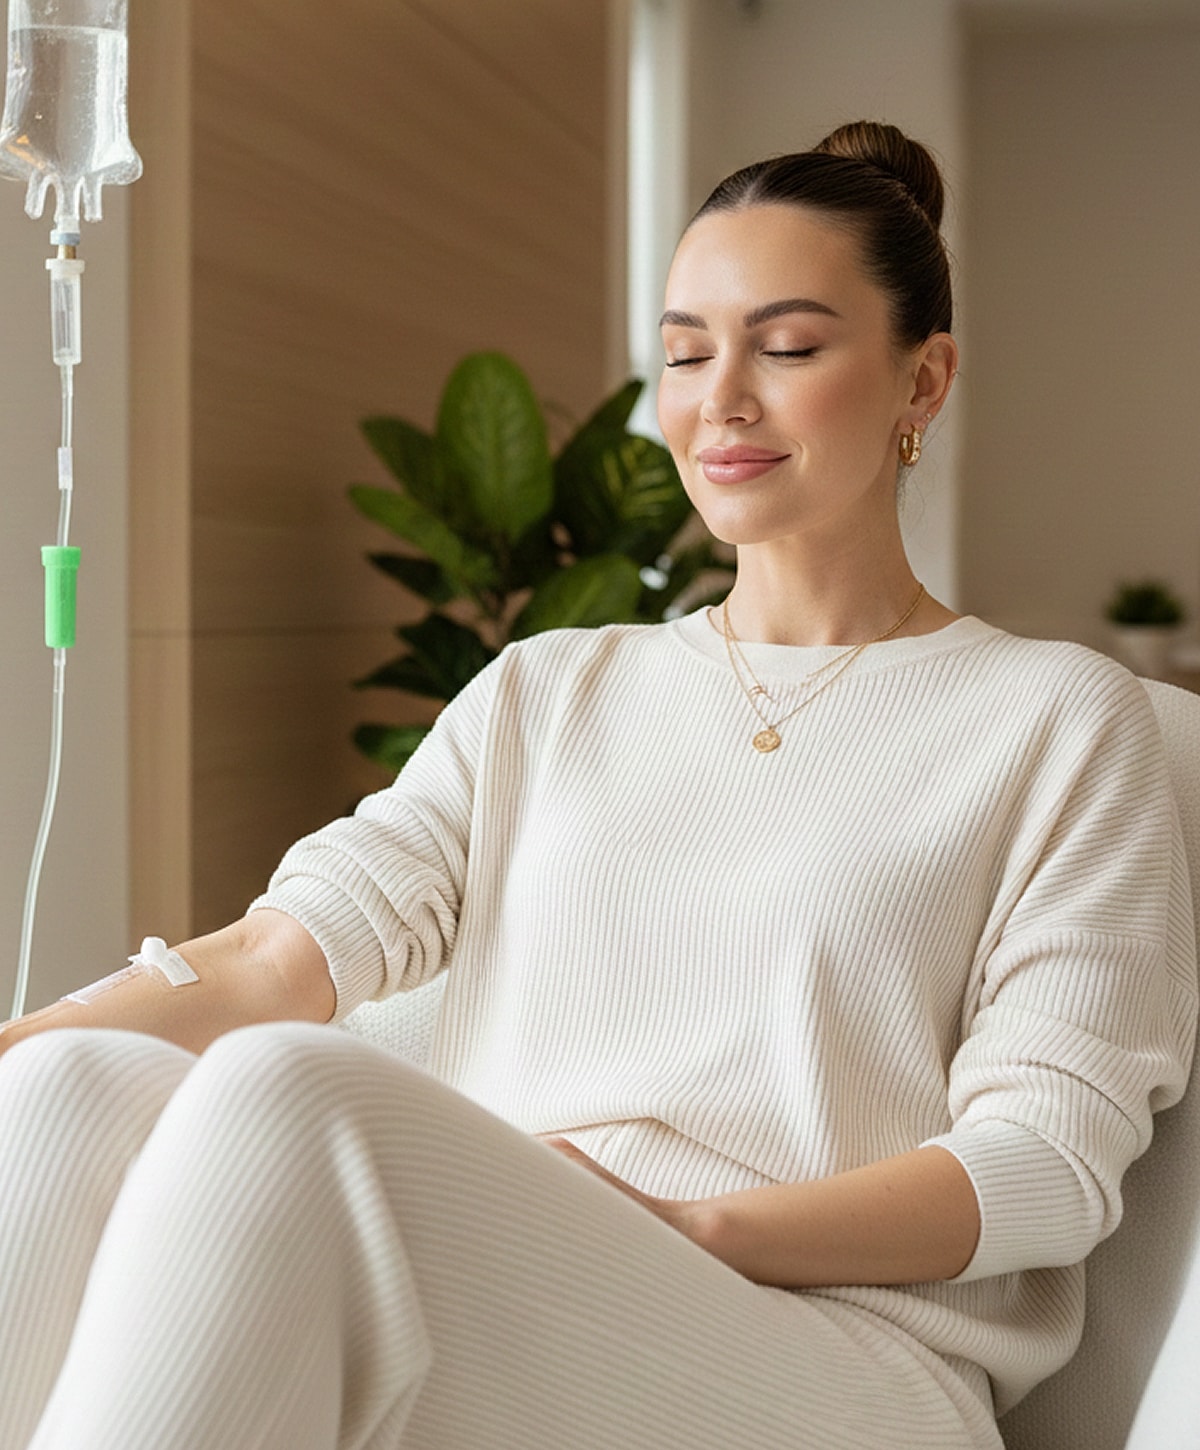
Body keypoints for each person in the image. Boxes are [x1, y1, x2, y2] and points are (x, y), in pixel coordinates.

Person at [0, 121, 1194, 1450]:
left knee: (295, 1095)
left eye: (787, 347)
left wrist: (689, 1227)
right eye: (687, 352)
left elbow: (1046, 1164)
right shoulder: (548, 687)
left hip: (842, 1356)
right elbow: (283, 955)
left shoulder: (1058, 720)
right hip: (514, 1291)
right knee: (68, 1088)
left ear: (924, 380)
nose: (720, 399)